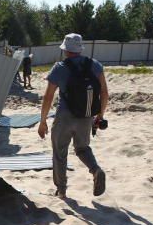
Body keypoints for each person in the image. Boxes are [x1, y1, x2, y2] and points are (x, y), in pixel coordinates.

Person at [37, 33, 108, 199]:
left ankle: (61, 191)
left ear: (65, 50)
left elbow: (48, 97)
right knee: (82, 149)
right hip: (86, 116)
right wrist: (99, 116)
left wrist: (42, 122)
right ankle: (96, 170)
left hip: (64, 116)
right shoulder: (95, 65)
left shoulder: (60, 68)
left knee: (60, 154)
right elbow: (104, 94)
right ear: (80, 49)